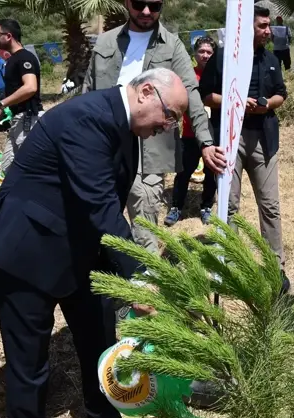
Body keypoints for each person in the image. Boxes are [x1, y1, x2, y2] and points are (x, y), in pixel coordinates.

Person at [0, 68, 189, 418]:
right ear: (146, 93)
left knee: (99, 339)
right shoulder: (87, 118)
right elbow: (100, 205)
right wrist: (140, 278)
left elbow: (103, 204)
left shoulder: (123, 123)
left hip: (80, 245)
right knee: (29, 359)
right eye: (169, 116)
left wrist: (127, 273)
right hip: (28, 247)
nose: (167, 127)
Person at [83, 0, 225, 254]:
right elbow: (88, 91)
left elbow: (191, 92)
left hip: (151, 142)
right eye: (139, 4)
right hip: (105, 139)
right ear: (127, 3)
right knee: (100, 206)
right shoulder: (105, 43)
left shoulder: (172, 45)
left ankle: (144, 271)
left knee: (145, 207)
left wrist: (205, 142)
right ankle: (105, 266)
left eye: (154, 5)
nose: (146, 11)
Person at [200, 5, 290, 293]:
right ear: (246, 26)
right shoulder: (224, 58)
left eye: (268, 26)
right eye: (262, 26)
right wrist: (235, 101)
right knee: (229, 205)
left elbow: (281, 94)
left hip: (264, 138)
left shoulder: (272, 59)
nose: (268, 31)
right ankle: (228, 266)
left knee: (271, 206)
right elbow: (206, 95)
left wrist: (266, 105)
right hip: (230, 140)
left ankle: (275, 269)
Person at [165, 36, 218, 226]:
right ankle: (176, 207)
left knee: (212, 172)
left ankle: (206, 207)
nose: (205, 55)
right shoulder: (187, 76)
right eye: (201, 51)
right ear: (195, 53)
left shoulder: (218, 75)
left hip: (213, 135)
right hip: (189, 134)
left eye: (209, 52)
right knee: (183, 172)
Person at [0, 19, 43, 175]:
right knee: (8, 168)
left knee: (31, 168)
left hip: (28, 119)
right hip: (18, 120)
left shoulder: (24, 57)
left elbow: (30, 87)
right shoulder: (12, 59)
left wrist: (1, 105)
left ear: (8, 36)